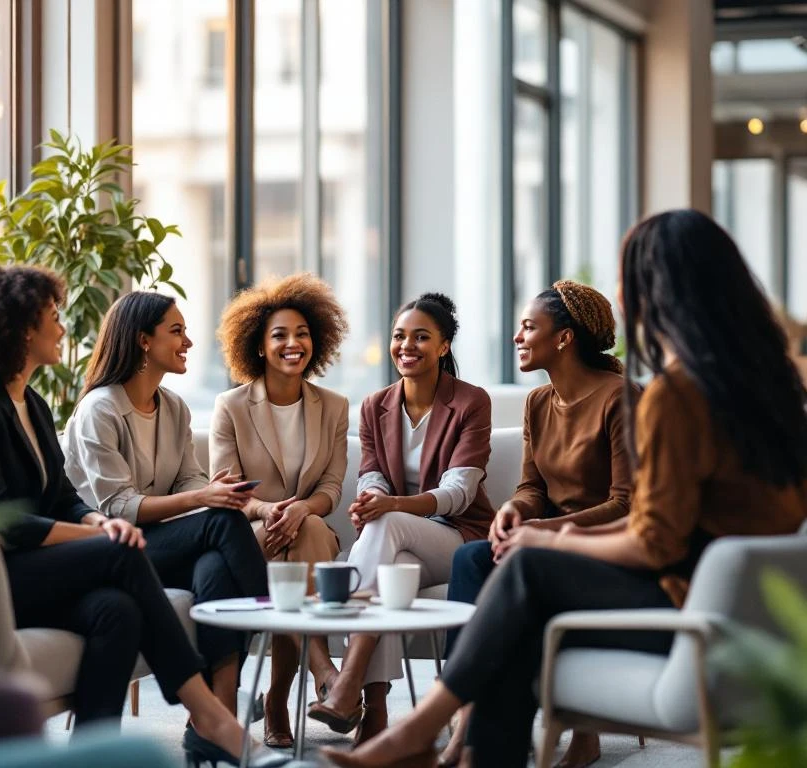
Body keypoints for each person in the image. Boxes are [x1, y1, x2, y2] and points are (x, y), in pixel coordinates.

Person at [320, 209, 807, 768]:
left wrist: (550, 541)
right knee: (509, 583)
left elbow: (655, 541)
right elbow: (677, 521)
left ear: (660, 289)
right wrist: (531, 525)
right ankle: (466, 745)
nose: (622, 293)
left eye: (629, 276)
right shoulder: (768, 387)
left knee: (526, 572)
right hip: (763, 622)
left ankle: (425, 732)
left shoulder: (674, 395)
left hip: (691, 613)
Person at [0, 263, 285, 767]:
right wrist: (98, 535)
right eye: (52, 316)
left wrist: (100, 523)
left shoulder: (30, 403)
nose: (62, 327)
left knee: (115, 612)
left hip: (41, 569)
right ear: (20, 327)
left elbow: (62, 496)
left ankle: (92, 756)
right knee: (123, 555)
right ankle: (212, 718)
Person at [440, 280, 635, 768]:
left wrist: (543, 532)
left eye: (529, 327)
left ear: (564, 339)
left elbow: (626, 503)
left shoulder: (621, 399)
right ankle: (466, 721)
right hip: (544, 539)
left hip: (603, 545)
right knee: (470, 558)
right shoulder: (538, 403)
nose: (517, 338)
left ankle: (583, 730)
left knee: (522, 564)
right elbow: (534, 488)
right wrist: (516, 510)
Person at [62, 290, 269, 716]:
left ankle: (216, 710)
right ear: (143, 341)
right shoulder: (99, 410)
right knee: (223, 524)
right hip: (111, 551)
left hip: (159, 546)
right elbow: (118, 506)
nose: (188, 342)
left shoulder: (173, 407)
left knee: (214, 566)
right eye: (176, 331)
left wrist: (213, 488)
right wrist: (204, 498)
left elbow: (188, 480)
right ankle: (283, 625)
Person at [309, 293, 496, 746]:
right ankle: (375, 715)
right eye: (398, 336)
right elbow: (371, 474)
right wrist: (371, 500)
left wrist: (388, 508)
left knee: (383, 528)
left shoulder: (471, 402)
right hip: (395, 545)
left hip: (456, 539)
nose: (406, 346)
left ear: (444, 346)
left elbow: (457, 494)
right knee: (385, 562)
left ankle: (350, 685)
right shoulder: (375, 405)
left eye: (421, 337)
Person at [211, 273, 350, 748]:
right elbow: (226, 490)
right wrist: (271, 509)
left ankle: (277, 699)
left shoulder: (333, 406)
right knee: (294, 546)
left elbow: (331, 487)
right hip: (252, 531)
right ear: (257, 345)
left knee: (308, 530)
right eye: (280, 335)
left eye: (303, 334)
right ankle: (325, 675)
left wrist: (300, 509)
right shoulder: (230, 407)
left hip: (310, 527)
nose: (294, 344)